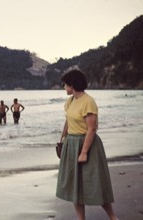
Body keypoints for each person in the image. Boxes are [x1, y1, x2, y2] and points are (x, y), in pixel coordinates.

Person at [56, 70, 118, 220]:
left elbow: (92, 128)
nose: (64, 87)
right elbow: (68, 120)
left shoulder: (88, 101)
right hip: (71, 144)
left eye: (65, 84)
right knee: (74, 186)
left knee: (95, 182)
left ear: (72, 85)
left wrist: (84, 152)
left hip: (87, 144)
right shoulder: (70, 101)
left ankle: (112, 217)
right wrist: (63, 138)